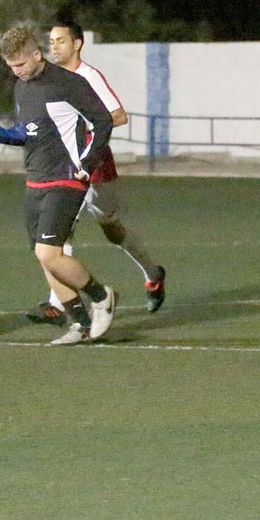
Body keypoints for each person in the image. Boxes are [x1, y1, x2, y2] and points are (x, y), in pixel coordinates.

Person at [0, 27, 120, 346]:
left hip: (67, 177)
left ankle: (101, 296)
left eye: (21, 65)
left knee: (48, 252)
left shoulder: (68, 83)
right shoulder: (22, 88)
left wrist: (89, 162)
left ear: (36, 54)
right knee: (44, 257)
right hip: (35, 179)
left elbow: (103, 120)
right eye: (11, 67)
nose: (17, 72)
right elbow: (29, 133)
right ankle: (81, 324)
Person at [21, 19, 169, 325]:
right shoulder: (49, 80)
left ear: (77, 44)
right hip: (63, 168)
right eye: (51, 41)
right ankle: (58, 304)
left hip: (95, 165)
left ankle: (152, 273)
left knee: (111, 228)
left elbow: (117, 115)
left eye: (61, 40)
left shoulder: (87, 76)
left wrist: (82, 127)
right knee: (60, 231)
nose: (54, 46)